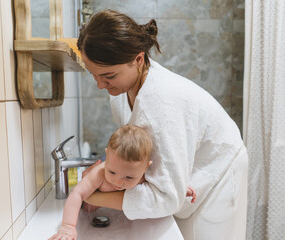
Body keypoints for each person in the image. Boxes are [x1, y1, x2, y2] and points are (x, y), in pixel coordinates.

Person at [76, 9, 249, 240]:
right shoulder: (120, 92)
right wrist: (105, 178)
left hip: (218, 172)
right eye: (93, 74)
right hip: (188, 173)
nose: (100, 85)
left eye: (108, 76)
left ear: (138, 60)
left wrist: (90, 194)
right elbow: (138, 152)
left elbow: (167, 198)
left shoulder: (159, 103)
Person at [48, 125, 197, 240]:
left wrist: (180, 189)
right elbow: (77, 194)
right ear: (107, 154)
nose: (118, 182)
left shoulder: (142, 175)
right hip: (89, 210)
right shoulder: (99, 173)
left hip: (116, 212)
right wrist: (68, 226)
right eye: (112, 172)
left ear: (145, 167)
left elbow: (161, 185)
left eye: (129, 178)